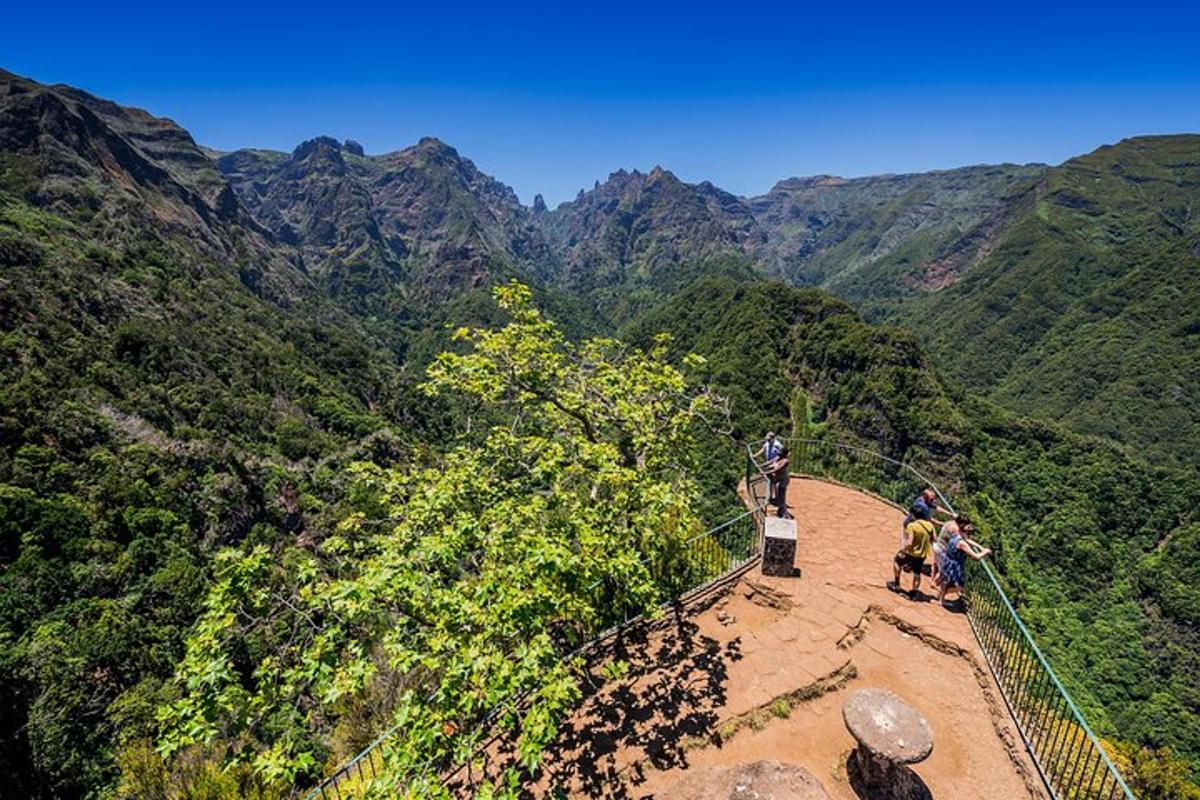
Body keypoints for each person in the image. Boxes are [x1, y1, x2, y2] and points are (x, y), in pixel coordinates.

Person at [938, 522, 991, 607]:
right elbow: (976, 557)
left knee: (946, 581)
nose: (970, 536)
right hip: (955, 565)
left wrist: (979, 547)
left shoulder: (955, 535)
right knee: (960, 587)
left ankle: (941, 599)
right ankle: (942, 594)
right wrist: (985, 552)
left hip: (948, 561)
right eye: (969, 533)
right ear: (965, 532)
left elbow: (968, 541)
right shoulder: (961, 543)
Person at [889, 516, 935, 597]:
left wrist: (903, 550)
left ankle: (896, 584)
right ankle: (914, 593)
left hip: (910, 553)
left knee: (897, 562)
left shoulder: (912, 526)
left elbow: (909, 542)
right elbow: (934, 539)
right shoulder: (930, 525)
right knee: (917, 572)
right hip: (922, 554)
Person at [931, 514, 969, 585]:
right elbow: (962, 539)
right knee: (944, 569)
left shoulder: (950, 522)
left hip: (937, 545)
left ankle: (933, 579)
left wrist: (936, 522)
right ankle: (934, 583)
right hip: (942, 549)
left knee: (936, 564)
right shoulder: (955, 529)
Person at [769, 442, 792, 519]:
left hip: (783, 480)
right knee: (778, 496)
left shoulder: (785, 461)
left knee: (781, 497)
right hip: (778, 479)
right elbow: (769, 463)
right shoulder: (777, 458)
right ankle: (780, 511)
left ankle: (785, 515)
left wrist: (765, 472)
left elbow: (777, 468)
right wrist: (760, 466)